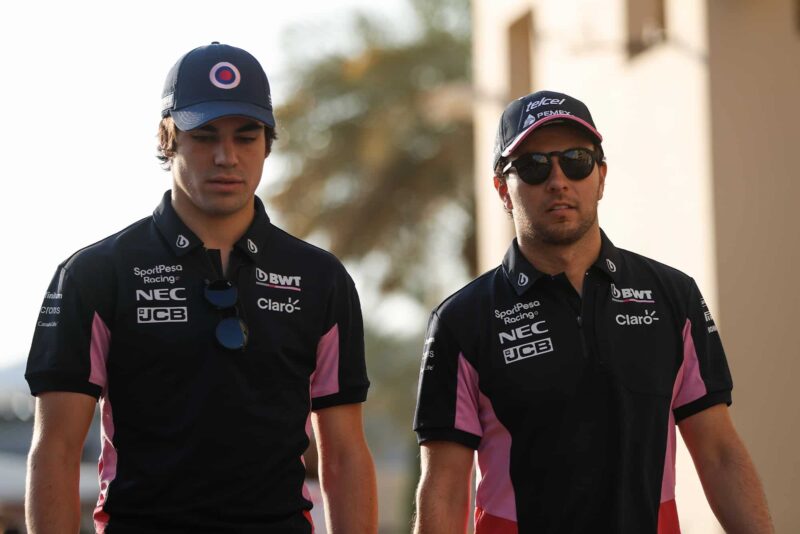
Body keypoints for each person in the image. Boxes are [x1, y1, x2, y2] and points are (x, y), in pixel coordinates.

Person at [25, 42, 377, 534]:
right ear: (168, 138)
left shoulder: (321, 278)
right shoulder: (95, 274)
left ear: (268, 143)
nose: (226, 156)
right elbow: (56, 452)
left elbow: (343, 455)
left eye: (246, 136)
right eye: (204, 135)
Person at [412, 90, 773, 533]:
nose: (558, 180)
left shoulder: (672, 295)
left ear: (601, 177)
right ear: (503, 189)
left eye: (577, 161)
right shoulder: (462, 321)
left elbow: (718, 451)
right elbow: (446, 488)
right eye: (534, 166)